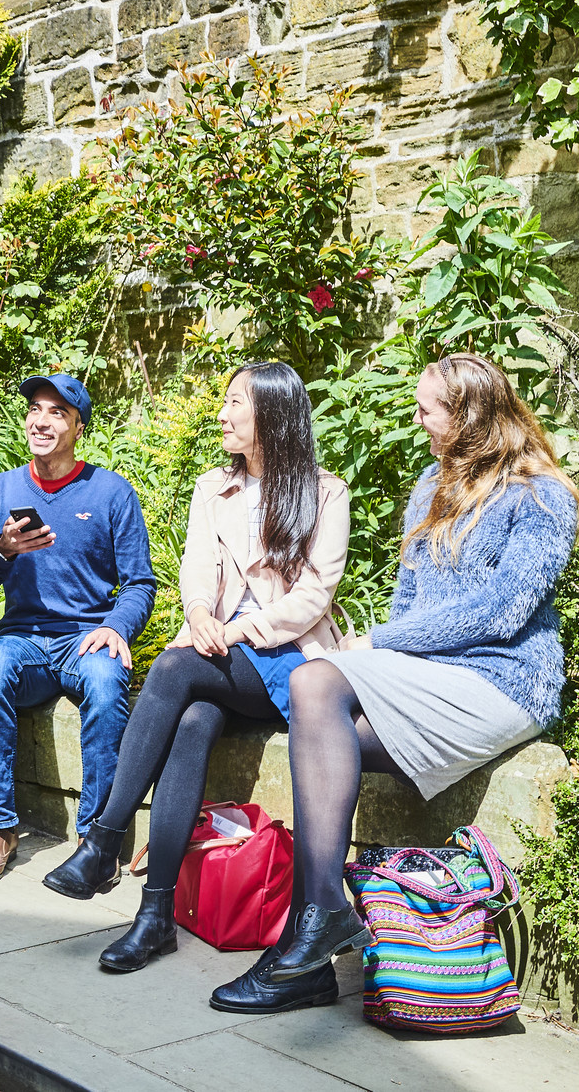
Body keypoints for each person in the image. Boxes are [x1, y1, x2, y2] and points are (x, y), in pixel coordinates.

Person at [208, 351, 578, 1016]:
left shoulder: (539, 496)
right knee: (327, 730)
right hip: (427, 681)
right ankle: (313, 943)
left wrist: (378, 644)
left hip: (502, 683)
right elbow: (409, 602)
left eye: (426, 409)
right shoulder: (427, 488)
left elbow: (504, 610)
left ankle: (312, 923)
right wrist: (388, 648)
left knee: (315, 682)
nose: (415, 420)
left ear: (466, 417)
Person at [43, 361, 351, 975]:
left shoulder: (325, 491)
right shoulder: (214, 486)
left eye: (236, 402)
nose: (222, 413)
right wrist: (199, 614)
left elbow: (313, 597)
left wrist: (231, 630)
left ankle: (103, 840)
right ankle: (155, 915)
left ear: (272, 412)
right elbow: (195, 567)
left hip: (288, 662)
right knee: (191, 721)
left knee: (173, 670)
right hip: (218, 659)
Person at [0, 373, 155, 883]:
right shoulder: (3, 489)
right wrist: (2, 552)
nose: (41, 421)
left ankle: (96, 840)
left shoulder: (111, 492)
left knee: (109, 686)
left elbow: (139, 583)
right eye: (36, 410)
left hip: (85, 638)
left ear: (78, 427)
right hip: (23, 639)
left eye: (57, 413)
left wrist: (116, 627)